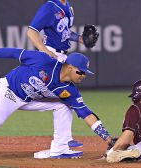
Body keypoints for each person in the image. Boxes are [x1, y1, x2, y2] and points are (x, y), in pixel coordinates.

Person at [0, 48, 114, 160]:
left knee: (63, 105)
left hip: (28, 99)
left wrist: (107, 138)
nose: (83, 76)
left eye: (85, 74)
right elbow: (13, 52)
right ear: (70, 67)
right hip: (7, 91)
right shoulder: (43, 61)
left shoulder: (71, 90)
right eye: (81, 72)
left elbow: (85, 113)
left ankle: (60, 149)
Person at [27, 0, 99, 156]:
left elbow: (63, 32)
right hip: (52, 53)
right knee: (66, 95)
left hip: (61, 54)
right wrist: (44, 50)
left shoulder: (68, 6)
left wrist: (79, 38)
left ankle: (65, 139)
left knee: (66, 96)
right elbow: (31, 31)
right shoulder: (49, 6)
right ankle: (63, 141)